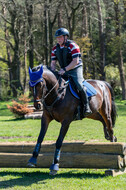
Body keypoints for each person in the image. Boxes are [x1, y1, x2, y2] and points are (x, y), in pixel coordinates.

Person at [51, 28, 92, 116]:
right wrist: (52, 72)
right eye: (57, 37)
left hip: (75, 68)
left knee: (79, 85)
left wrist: (65, 69)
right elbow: (53, 63)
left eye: (60, 37)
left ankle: (86, 106)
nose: (58, 39)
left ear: (66, 37)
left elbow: (75, 61)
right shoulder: (55, 48)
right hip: (63, 70)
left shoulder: (73, 45)